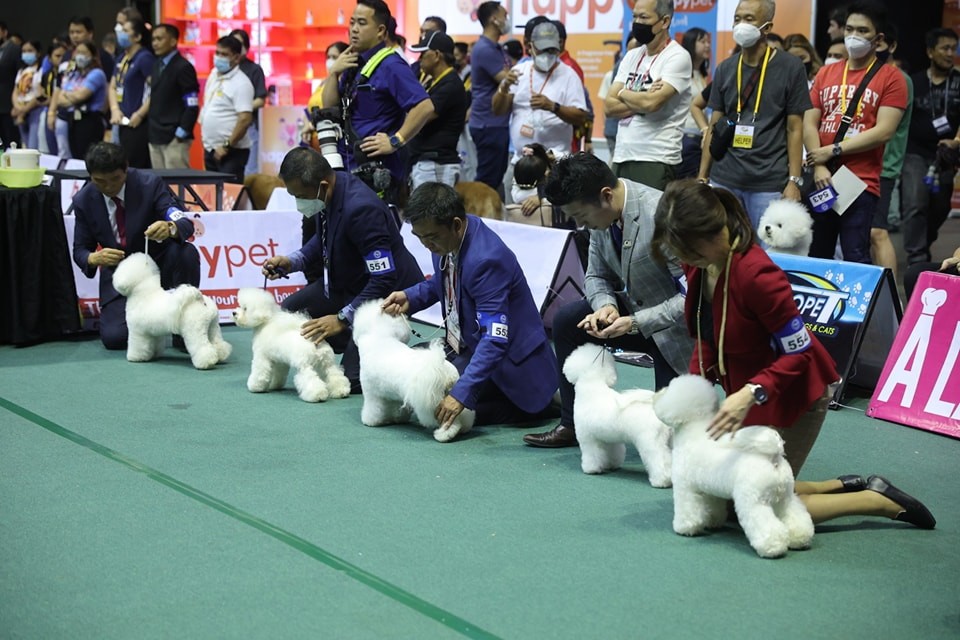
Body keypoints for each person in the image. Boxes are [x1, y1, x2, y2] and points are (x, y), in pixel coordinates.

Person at [650, 178, 935, 529]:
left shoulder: (759, 276)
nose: (679, 258)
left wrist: (748, 394)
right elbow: (706, 335)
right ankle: (843, 485)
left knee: (751, 503)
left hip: (795, 394)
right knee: (724, 490)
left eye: (684, 248)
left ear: (711, 234)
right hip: (749, 394)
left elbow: (798, 354)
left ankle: (876, 501)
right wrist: (695, 394)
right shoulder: (700, 265)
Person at [523, 153, 693, 448]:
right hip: (634, 314)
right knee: (567, 321)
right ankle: (573, 424)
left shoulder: (663, 216)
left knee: (671, 439)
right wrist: (606, 306)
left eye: (582, 216)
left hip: (679, 329)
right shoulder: (602, 217)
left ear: (605, 196)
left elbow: (692, 298)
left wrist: (636, 322)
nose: (580, 224)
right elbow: (595, 275)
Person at [382, 182, 560, 428]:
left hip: (511, 365)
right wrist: (410, 296)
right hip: (467, 346)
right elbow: (445, 282)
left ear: (455, 224)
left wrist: (461, 394)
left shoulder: (487, 260)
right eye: (419, 237)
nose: (425, 245)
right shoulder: (447, 236)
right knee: (414, 374)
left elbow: (496, 338)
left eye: (430, 237)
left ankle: (540, 407)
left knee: (440, 410)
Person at [262, 147, 424, 393]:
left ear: (323, 185)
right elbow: (323, 240)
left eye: (300, 195)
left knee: (354, 380)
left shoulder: (361, 210)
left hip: (385, 296)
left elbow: (383, 277)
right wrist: (292, 261)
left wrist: (340, 319)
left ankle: (389, 347)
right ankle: (352, 338)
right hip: (348, 283)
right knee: (290, 313)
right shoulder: (328, 192)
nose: (298, 202)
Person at [803, 1, 907, 264]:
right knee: (818, 255)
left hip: (859, 181)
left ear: (878, 39)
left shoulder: (891, 78)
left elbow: (884, 131)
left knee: (855, 255)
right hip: (822, 178)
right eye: (849, 29)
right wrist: (820, 166)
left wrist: (834, 150)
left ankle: (862, 307)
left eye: (863, 31)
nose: (854, 36)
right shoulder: (826, 72)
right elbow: (809, 122)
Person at [71, 142, 200, 350]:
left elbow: (184, 223)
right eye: (99, 181)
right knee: (115, 339)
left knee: (186, 252)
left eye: (115, 179)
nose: (109, 187)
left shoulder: (150, 184)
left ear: (126, 169)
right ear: (90, 176)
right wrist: (93, 258)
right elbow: (80, 250)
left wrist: (170, 227)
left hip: (159, 267)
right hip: (121, 277)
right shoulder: (83, 200)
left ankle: (184, 326)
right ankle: (155, 326)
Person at [698, 0, 810, 229]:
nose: (741, 24)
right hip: (725, 178)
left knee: (767, 254)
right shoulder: (726, 68)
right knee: (726, 249)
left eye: (749, 19)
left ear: (767, 28)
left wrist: (794, 181)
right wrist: (703, 177)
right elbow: (714, 125)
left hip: (768, 182)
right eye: (737, 18)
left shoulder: (791, 67)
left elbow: (795, 128)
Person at [321, 0, 434, 205]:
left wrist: (395, 140)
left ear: (381, 30)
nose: (354, 29)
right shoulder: (352, 62)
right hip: (347, 167)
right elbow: (330, 108)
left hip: (376, 173)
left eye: (362, 23)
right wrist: (333, 73)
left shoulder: (391, 64)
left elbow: (424, 106)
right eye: (352, 22)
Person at [604, 0, 692, 190]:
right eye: (635, 16)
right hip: (622, 154)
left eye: (644, 17)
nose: (637, 22)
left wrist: (622, 93)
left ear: (665, 21)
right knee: (617, 218)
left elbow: (652, 103)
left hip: (656, 157)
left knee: (649, 219)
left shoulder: (677, 56)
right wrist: (641, 96)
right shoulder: (631, 56)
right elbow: (609, 107)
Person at [901, 27, 960, 266]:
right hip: (915, 152)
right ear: (930, 51)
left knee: (940, 208)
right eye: (944, 48)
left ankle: (923, 242)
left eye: (953, 49)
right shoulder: (913, 82)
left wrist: (956, 142)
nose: (949, 53)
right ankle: (917, 258)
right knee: (915, 204)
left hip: (947, 155)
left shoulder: (959, 81)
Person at [493, 21, 588, 160]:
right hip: (521, 159)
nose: (546, 55)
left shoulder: (569, 76)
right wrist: (504, 87)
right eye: (541, 49)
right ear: (530, 46)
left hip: (554, 160)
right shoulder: (519, 71)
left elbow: (580, 117)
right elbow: (498, 110)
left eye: (551, 50)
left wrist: (553, 107)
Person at [873, 25, 911, 283]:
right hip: (854, 167)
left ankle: (890, 303)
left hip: (882, 167)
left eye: (879, 41)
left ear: (892, 46)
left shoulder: (899, 79)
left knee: (877, 232)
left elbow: (883, 128)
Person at [406, 31, 467, 190]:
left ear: (437, 55)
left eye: (423, 54)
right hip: (429, 163)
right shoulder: (436, 82)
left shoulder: (450, 85)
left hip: (437, 165)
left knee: (433, 213)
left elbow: (422, 116)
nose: (419, 60)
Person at [468, 1, 513, 195]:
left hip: (496, 122)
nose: (507, 19)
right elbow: (509, 79)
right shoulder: (484, 49)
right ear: (494, 20)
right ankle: (477, 220)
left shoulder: (496, 48)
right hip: (488, 123)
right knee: (487, 181)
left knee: (495, 178)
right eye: (504, 15)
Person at [198, 35, 254, 182]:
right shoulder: (213, 75)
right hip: (210, 148)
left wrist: (226, 146)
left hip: (231, 151)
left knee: (229, 198)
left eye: (224, 54)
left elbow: (244, 119)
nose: (218, 57)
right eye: (217, 53)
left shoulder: (241, 83)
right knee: (212, 197)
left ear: (236, 58)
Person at [147, 24, 200, 169]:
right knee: (160, 185)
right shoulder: (156, 65)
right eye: (153, 39)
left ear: (173, 41)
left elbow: (192, 105)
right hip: (155, 135)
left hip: (174, 138)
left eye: (159, 39)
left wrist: (181, 132)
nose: (155, 43)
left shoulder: (183, 67)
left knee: (177, 186)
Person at [108, 18, 154, 168]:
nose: (121, 34)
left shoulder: (144, 58)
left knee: (135, 165)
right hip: (121, 120)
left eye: (126, 31)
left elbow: (155, 90)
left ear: (138, 37)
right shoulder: (122, 57)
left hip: (138, 122)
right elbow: (113, 87)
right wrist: (115, 110)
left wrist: (140, 113)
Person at [54, 39, 107, 160]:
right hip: (74, 121)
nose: (80, 56)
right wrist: (72, 95)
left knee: (88, 158)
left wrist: (69, 94)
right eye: (78, 52)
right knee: (74, 158)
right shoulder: (74, 74)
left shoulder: (97, 73)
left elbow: (81, 96)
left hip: (90, 120)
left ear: (92, 55)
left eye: (84, 53)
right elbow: (60, 99)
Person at [229, 29, 268, 176]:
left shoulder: (254, 69)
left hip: (248, 125)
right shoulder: (224, 70)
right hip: (227, 126)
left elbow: (260, 99)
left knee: (249, 169)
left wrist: (241, 109)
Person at [677, 27, 711, 179]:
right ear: (691, 43)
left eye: (708, 41)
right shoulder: (680, 72)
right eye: (702, 41)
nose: (707, 45)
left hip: (701, 137)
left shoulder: (702, 74)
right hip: (685, 136)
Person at [11, 40, 43, 150]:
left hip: (34, 110)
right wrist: (17, 106)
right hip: (20, 111)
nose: (26, 53)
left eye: (30, 50)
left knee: (32, 146)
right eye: (24, 51)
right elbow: (15, 92)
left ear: (38, 53)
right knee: (24, 145)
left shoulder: (41, 70)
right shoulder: (21, 71)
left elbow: (39, 94)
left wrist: (24, 110)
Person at [0, 22, 22, 148]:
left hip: (9, 103)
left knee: (11, 139)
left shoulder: (14, 49)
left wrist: (16, 102)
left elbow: (19, 76)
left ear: (4, 32)